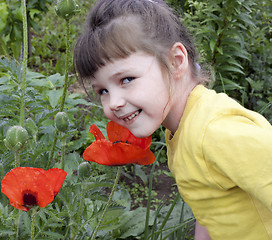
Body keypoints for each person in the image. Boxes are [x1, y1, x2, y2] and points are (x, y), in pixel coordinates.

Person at [73, 0, 272, 239]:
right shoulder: (183, 128)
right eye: (102, 91)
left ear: (176, 61)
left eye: (126, 79)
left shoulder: (216, 131)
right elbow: (208, 207)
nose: (113, 102)